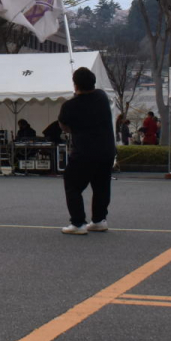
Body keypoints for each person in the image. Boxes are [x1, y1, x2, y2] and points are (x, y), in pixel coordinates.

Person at [58, 67, 116, 234]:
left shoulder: (69, 106)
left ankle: (78, 223)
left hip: (84, 152)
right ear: (93, 82)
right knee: (101, 186)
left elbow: (64, 127)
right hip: (106, 151)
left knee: (72, 184)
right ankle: (99, 220)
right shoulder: (101, 96)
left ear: (75, 85)